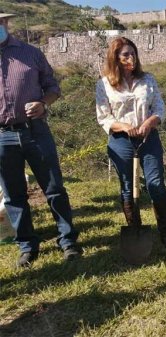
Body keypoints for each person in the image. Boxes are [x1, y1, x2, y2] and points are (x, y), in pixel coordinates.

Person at [0, 11, 82, 267]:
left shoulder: (31, 53)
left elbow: (52, 86)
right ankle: (27, 246)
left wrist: (43, 103)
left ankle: (68, 241)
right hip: (2, 136)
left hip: (35, 131)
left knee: (54, 188)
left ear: (5, 23)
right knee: (13, 195)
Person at [96, 37, 166, 249]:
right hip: (121, 140)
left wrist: (150, 122)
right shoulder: (104, 84)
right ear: (115, 58)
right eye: (125, 55)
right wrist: (124, 126)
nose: (130, 58)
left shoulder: (148, 79)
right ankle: (136, 232)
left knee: (155, 184)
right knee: (127, 187)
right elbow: (103, 117)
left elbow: (159, 108)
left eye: (133, 53)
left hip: (148, 137)